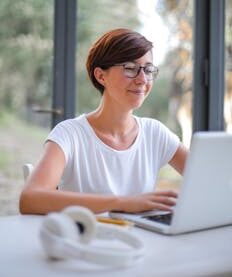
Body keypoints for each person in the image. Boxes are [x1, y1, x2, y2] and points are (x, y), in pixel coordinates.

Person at [19, 28, 188, 215]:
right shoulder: (69, 134)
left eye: (148, 70)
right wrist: (121, 202)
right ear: (101, 76)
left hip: (142, 241)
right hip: (85, 240)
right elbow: (30, 198)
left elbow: (208, 179)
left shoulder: (155, 133)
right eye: (130, 68)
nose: (142, 79)